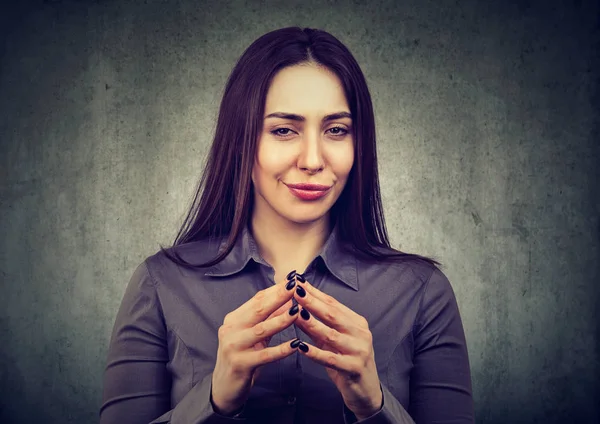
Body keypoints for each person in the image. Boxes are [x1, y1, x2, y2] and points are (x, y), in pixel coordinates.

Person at [99, 26, 474, 424]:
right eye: (283, 130)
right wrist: (213, 401)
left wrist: (375, 406)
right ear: (242, 139)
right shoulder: (161, 283)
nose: (313, 159)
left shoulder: (422, 292)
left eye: (336, 130)